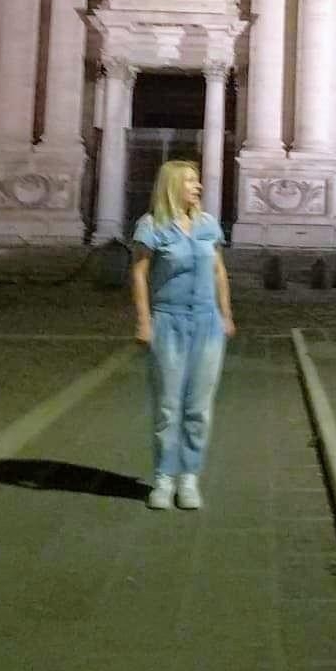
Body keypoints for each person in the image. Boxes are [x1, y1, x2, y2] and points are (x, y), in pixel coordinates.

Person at [131, 159, 235, 511]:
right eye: (190, 180)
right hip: (168, 322)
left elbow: (219, 271)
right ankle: (164, 478)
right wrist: (144, 321)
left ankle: (189, 477)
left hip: (207, 323)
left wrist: (226, 314)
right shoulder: (151, 226)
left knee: (199, 407)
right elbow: (139, 273)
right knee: (168, 406)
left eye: (197, 180)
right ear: (172, 185)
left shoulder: (208, 225)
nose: (198, 186)